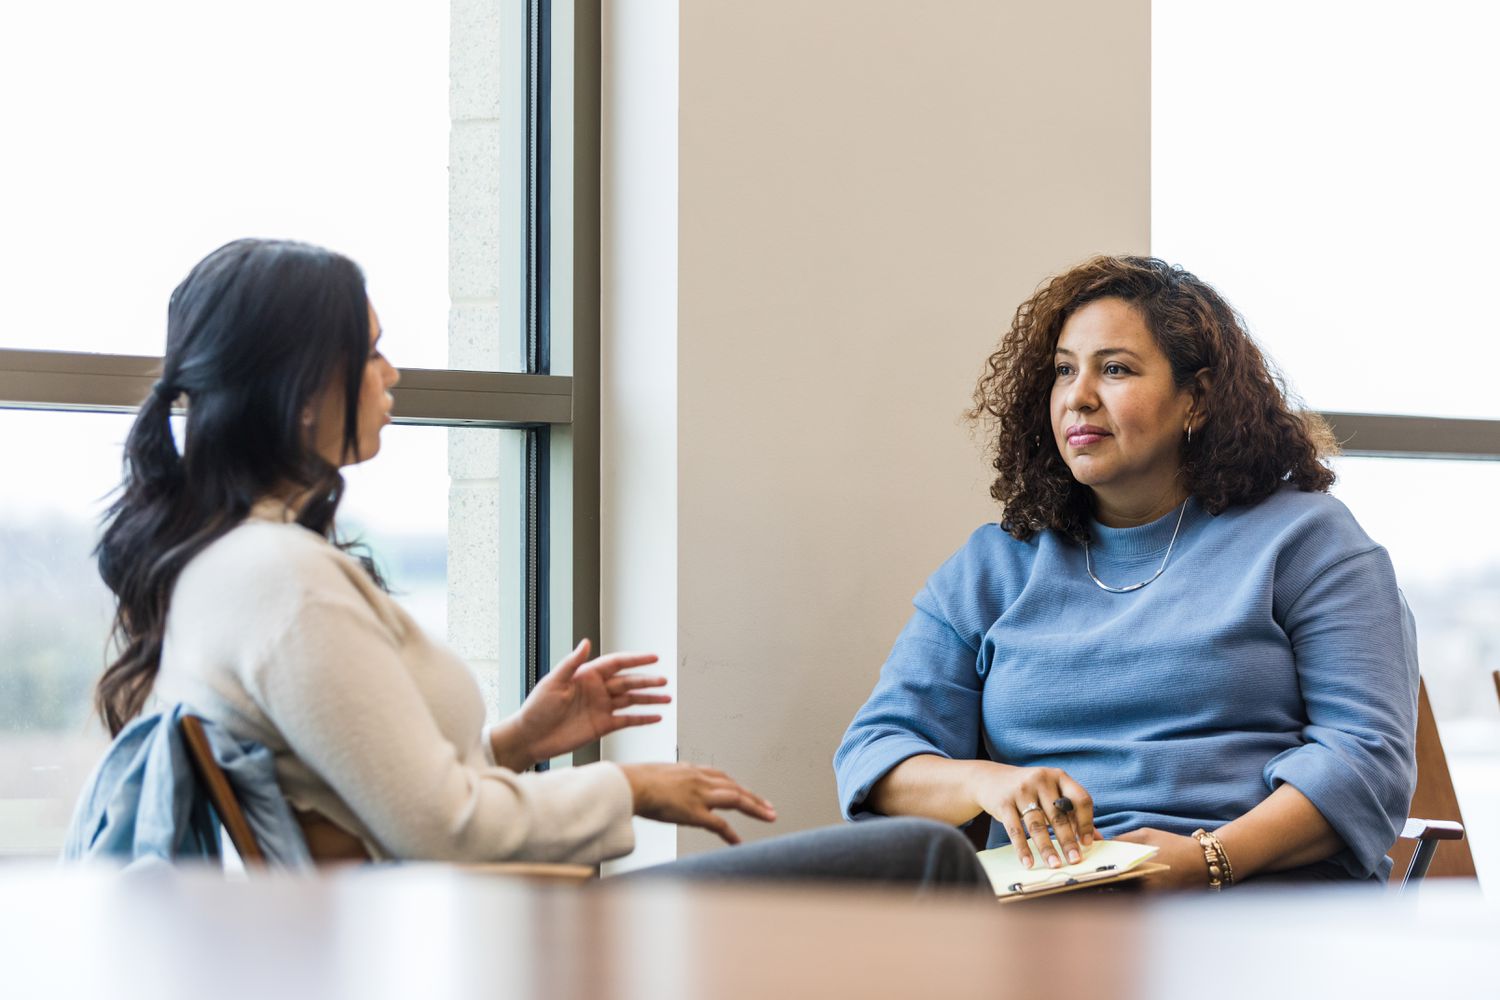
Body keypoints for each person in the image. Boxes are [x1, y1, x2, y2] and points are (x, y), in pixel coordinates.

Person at [93, 237, 987, 890]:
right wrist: (628, 784)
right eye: (368, 353)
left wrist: (515, 744)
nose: (391, 373)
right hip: (479, 943)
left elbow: (366, 797)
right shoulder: (280, 581)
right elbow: (439, 830)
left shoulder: (234, 570)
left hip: (458, 925)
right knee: (927, 859)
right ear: (296, 394)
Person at [834, 255, 1419, 888]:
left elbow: (1367, 759)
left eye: (1115, 369)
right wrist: (987, 782)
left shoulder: (1308, 541)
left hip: (1259, 904)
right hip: (1049, 920)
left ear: (1195, 399)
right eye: (1064, 371)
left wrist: (1209, 860)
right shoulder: (994, 566)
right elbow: (876, 754)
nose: (1078, 397)